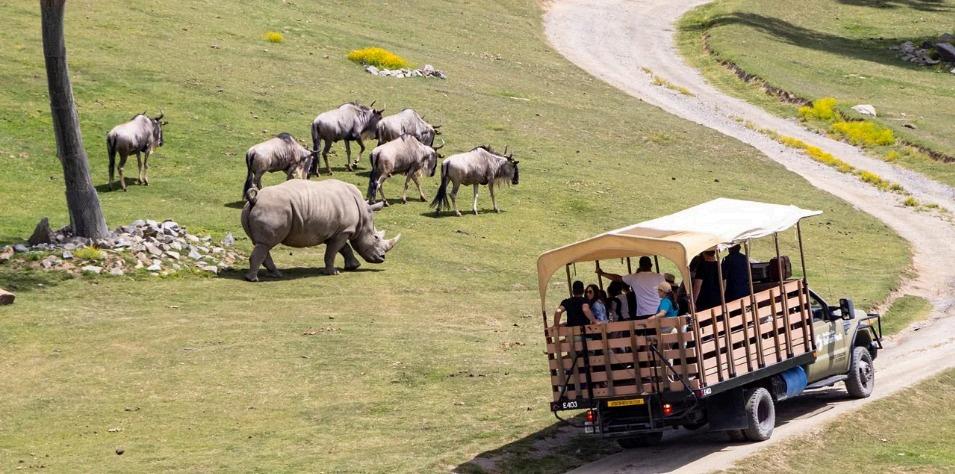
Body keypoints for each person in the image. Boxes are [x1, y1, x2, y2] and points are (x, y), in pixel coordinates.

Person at [597, 256, 665, 319]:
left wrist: (602, 273)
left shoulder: (634, 277)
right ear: (651, 265)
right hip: (659, 311)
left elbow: (617, 278)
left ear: (640, 266)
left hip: (644, 314)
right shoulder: (660, 277)